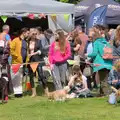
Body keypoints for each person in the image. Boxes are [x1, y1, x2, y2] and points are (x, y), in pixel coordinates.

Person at [85, 26, 113, 96]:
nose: (90, 39)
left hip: (101, 64)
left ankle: (108, 95)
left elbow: (94, 53)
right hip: (108, 63)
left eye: (91, 37)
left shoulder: (96, 42)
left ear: (94, 36)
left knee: (103, 81)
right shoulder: (105, 42)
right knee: (103, 79)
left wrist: (87, 55)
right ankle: (101, 94)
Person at [28, 28, 48, 97]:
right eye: (33, 34)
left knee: (41, 76)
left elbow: (41, 50)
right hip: (30, 61)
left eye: (36, 34)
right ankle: (34, 93)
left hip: (38, 60)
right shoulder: (27, 42)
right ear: (30, 34)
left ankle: (46, 91)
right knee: (31, 77)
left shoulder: (39, 41)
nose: (34, 35)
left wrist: (34, 53)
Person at [10, 28, 29, 97]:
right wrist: (17, 56)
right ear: (23, 33)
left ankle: (19, 92)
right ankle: (16, 93)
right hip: (16, 62)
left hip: (23, 63)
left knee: (20, 78)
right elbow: (11, 49)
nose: (28, 34)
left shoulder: (25, 42)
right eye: (27, 33)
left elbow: (26, 52)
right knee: (15, 78)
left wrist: (27, 59)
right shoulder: (15, 40)